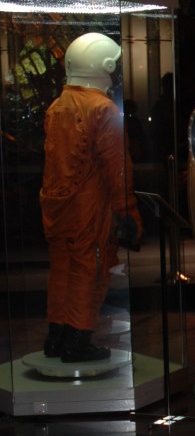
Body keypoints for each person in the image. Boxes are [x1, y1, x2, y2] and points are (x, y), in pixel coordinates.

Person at [39, 32, 143, 362]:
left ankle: (56, 337)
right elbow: (117, 167)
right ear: (104, 66)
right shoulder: (102, 108)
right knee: (90, 270)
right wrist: (127, 210)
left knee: (61, 269)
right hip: (88, 208)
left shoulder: (58, 106)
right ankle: (78, 341)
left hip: (57, 206)